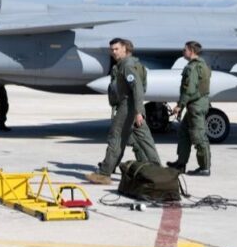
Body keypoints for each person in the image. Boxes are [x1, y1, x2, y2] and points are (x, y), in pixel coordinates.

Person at [85, 38, 161, 185]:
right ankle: (157, 171)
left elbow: (137, 88)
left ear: (125, 49)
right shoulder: (133, 64)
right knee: (145, 140)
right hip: (133, 107)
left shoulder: (127, 66)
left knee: (116, 138)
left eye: (117, 49)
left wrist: (138, 111)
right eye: (112, 49)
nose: (113, 52)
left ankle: (104, 174)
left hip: (128, 107)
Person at [166, 41, 212, 176]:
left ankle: (204, 168)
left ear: (191, 50)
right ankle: (181, 163)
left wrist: (180, 105)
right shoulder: (203, 65)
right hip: (197, 105)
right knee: (184, 132)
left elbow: (189, 89)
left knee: (198, 137)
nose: (183, 51)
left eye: (185, 49)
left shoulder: (192, 68)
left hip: (195, 107)